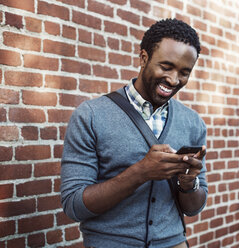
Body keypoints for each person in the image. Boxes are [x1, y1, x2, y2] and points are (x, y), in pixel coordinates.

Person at [60, 18, 208, 248]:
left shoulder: (193, 123)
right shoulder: (90, 115)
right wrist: (141, 172)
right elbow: (74, 206)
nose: (173, 79)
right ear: (143, 58)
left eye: (184, 72)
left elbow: (193, 207)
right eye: (166, 67)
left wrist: (188, 184)